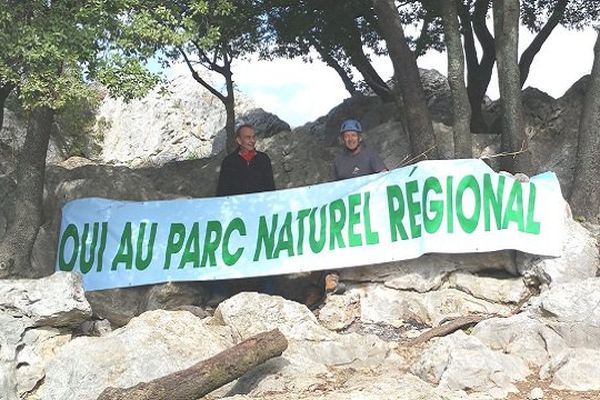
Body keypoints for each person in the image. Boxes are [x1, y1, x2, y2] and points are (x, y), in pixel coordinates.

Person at [325, 118, 387, 295]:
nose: (350, 139)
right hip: (347, 212)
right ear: (342, 139)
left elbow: (384, 177)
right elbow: (334, 188)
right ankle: (332, 276)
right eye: (347, 136)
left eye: (353, 135)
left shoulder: (370, 156)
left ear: (360, 137)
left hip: (370, 210)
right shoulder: (338, 161)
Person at [216, 124, 275, 196]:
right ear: (239, 140)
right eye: (248, 138)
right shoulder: (229, 162)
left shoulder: (263, 159)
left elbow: (270, 187)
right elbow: (222, 190)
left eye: (253, 137)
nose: (252, 141)